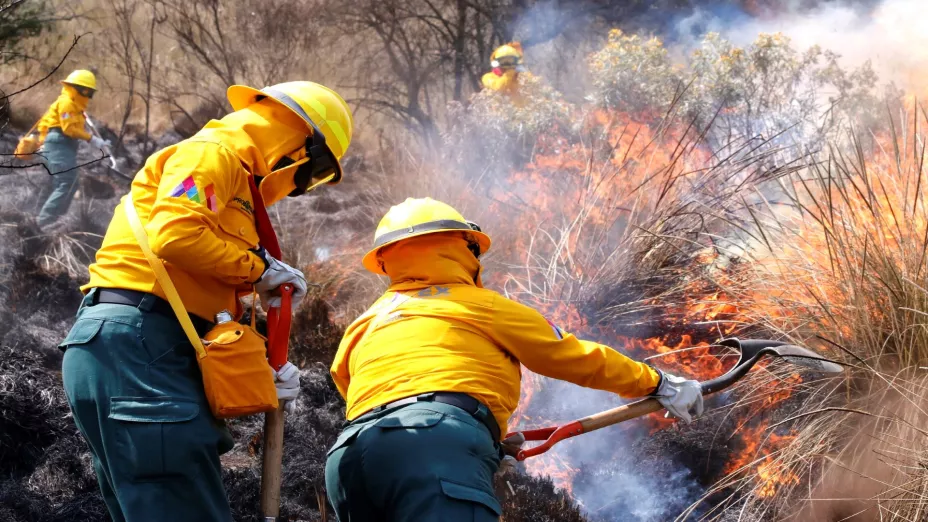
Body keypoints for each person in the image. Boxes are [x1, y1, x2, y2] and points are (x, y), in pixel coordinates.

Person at [58, 81, 354, 522]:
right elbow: (175, 236)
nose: (301, 187)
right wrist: (259, 270)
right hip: (140, 344)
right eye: (313, 174)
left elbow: (200, 303)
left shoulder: (234, 181)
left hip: (145, 347)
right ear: (302, 146)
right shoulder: (211, 155)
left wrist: (261, 371)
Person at [325, 197, 704, 521]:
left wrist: (480, 440)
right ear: (462, 247)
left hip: (348, 458)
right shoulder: (480, 305)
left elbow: (365, 395)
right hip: (433, 447)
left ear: (387, 260)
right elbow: (569, 356)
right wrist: (658, 383)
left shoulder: (365, 322)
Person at [34, 69, 111, 228]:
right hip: (58, 143)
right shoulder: (67, 103)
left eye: (90, 92)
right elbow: (68, 129)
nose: (87, 95)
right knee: (67, 182)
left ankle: (49, 220)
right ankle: (45, 222)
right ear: (74, 88)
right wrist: (92, 139)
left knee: (60, 183)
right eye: (85, 90)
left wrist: (96, 141)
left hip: (64, 145)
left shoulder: (74, 106)